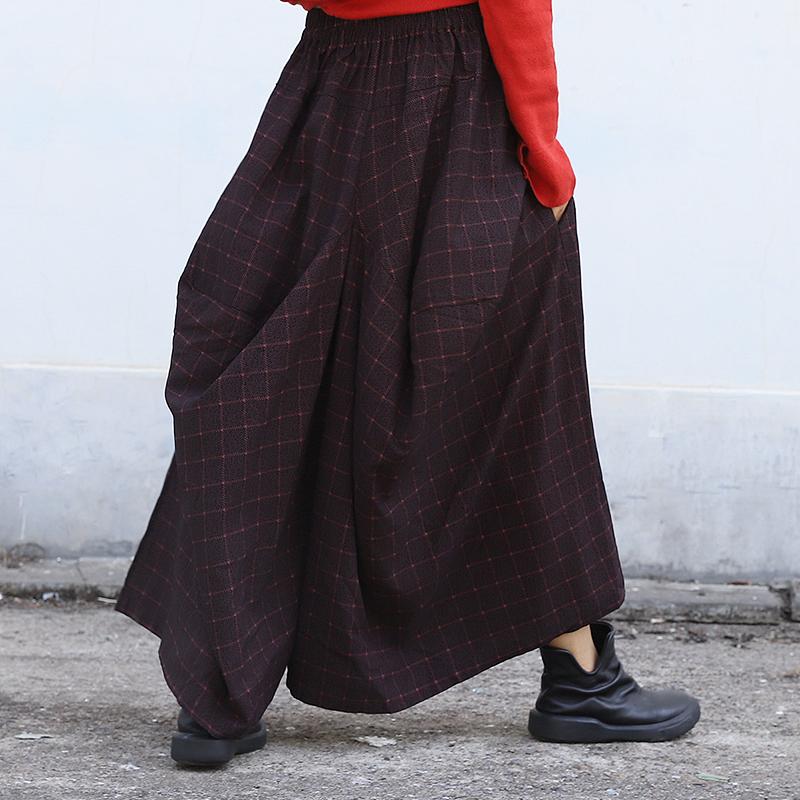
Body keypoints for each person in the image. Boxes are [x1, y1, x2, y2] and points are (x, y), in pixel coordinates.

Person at [115, 0, 701, 767]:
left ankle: (218, 690)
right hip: (455, 96)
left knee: (278, 365)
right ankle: (581, 677)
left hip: (332, 92)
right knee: (518, 383)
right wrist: (543, 152)